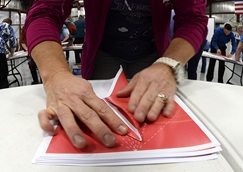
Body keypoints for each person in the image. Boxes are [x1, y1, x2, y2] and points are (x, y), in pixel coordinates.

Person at [23, 0, 208, 149]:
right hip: (102, 52)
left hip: (155, 53)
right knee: (93, 114)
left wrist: (168, 64)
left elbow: (193, 18)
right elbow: (44, 12)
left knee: (154, 119)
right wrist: (55, 75)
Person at [0, 18, 16, 89]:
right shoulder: (7, 26)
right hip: (0, 53)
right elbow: (13, 39)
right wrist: (12, 52)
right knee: (3, 74)